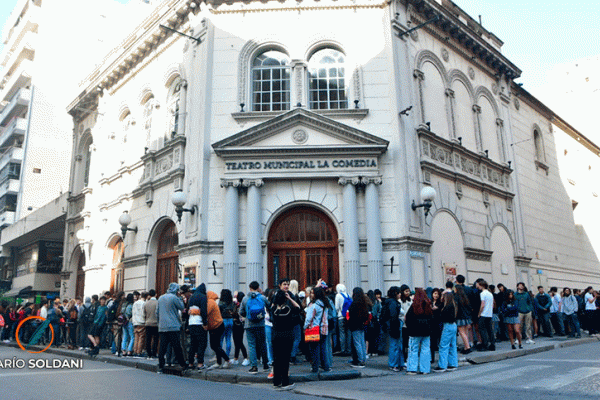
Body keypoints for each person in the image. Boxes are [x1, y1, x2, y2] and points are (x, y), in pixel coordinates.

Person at [270, 289, 300, 390]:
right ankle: (285, 382)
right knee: (285, 359)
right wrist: (290, 298)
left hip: (276, 336)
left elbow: (272, 305)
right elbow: (298, 307)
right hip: (286, 336)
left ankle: (276, 381)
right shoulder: (288, 309)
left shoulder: (274, 310)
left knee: (277, 359)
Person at [156, 282, 188, 372]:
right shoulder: (174, 298)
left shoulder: (161, 298)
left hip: (162, 326)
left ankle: (161, 365)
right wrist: (180, 298)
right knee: (177, 346)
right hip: (173, 326)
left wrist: (159, 323)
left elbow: (157, 312)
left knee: (162, 347)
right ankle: (183, 364)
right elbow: (182, 307)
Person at [240, 281, 269, 374]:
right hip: (260, 324)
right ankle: (265, 364)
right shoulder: (262, 297)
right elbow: (269, 306)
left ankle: (254, 367)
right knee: (262, 344)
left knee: (252, 345)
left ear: (250, 287)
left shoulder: (245, 298)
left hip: (249, 325)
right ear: (258, 287)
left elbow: (241, 311)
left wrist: (248, 315)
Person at [405, 288, 432, 375]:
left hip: (414, 331)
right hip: (426, 331)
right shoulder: (428, 305)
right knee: (425, 350)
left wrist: (409, 328)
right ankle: (425, 369)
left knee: (413, 350)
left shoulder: (414, 306)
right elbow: (432, 318)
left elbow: (408, 318)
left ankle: (412, 369)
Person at [304, 285, 331, 372]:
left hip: (314, 329)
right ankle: (326, 366)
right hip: (324, 329)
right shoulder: (325, 303)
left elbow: (309, 318)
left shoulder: (314, 305)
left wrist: (304, 327)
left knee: (314, 350)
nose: (311, 295)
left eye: (312, 293)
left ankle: (315, 368)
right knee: (323, 349)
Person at [380, 286, 403, 372]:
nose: (400, 294)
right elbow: (393, 315)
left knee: (396, 345)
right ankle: (394, 364)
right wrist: (395, 327)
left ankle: (397, 363)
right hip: (394, 325)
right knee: (395, 345)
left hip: (391, 325)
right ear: (396, 293)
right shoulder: (393, 303)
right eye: (399, 293)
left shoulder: (389, 302)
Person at [434, 292, 458, 372]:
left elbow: (442, 316)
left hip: (447, 326)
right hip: (454, 325)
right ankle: (453, 364)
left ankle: (442, 365)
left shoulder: (446, 307)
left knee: (443, 345)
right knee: (452, 345)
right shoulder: (454, 305)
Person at [206, 291, 230, 369]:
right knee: (216, 345)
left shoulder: (210, 302)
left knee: (214, 346)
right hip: (216, 326)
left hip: (216, 326)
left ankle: (226, 359)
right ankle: (219, 362)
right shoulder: (212, 302)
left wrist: (194, 311)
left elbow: (206, 312)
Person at [347, 287, 370, 368]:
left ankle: (360, 360)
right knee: (362, 343)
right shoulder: (364, 304)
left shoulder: (354, 304)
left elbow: (351, 315)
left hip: (354, 325)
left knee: (357, 343)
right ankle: (363, 358)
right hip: (361, 325)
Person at [187, 284, 208, 369]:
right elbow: (203, 311)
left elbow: (188, 310)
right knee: (201, 344)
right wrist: (205, 323)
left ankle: (190, 363)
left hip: (191, 323)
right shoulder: (203, 297)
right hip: (199, 323)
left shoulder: (192, 297)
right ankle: (200, 363)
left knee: (193, 344)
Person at [231, 291, 249, 366]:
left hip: (240, 325)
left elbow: (241, 314)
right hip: (236, 324)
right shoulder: (237, 304)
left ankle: (246, 358)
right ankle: (236, 358)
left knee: (239, 342)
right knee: (236, 342)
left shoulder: (241, 305)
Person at [477, 280, 495, 351]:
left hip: (483, 314)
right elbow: (493, 304)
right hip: (489, 314)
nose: (477, 286)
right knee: (490, 330)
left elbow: (482, 305)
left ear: (481, 285)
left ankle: (485, 345)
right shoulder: (490, 294)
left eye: (478, 284)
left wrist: (479, 313)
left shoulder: (482, 293)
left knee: (482, 330)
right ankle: (492, 344)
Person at [454, 284, 472, 354]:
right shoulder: (464, 297)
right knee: (465, 333)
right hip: (466, 317)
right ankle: (466, 346)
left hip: (460, 317)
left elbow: (456, 308)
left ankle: (467, 347)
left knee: (462, 333)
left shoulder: (456, 297)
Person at [335, 283, 351, 356]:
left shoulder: (338, 295)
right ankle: (349, 349)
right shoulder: (348, 295)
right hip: (348, 317)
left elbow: (336, 307)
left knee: (342, 333)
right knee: (348, 333)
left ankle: (343, 349)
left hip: (341, 316)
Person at [219, 289, 235, 359]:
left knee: (221, 339)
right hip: (231, 320)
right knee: (228, 338)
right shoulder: (232, 302)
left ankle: (220, 355)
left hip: (223, 320)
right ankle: (227, 355)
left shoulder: (221, 303)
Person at [144, 290, 159, 359]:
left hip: (147, 323)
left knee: (148, 339)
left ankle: (148, 353)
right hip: (155, 323)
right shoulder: (157, 303)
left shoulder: (146, 303)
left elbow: (144, 313)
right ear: (155, 294)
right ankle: (154, 353)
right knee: (155, 339)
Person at [399, 284, 412, 363]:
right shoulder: (400, 301)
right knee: (404, 343)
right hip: (403, 324)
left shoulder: (410, 300)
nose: (407, 293)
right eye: (406, 291)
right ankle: (404, 358)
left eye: (408, 291)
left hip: (410, 324)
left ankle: (408, 358)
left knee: (409, 343)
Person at [132, 291, 146, 358]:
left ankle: (135, 351)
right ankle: (139, 352)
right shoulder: (144, 303)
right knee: (141, 338)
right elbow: (143, 313)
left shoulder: (135, 303)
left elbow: (133, 312)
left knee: (136, 337)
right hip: (141, 322)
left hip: (135, 322)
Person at [430, 288, 443, 362]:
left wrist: (437, 309)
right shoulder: (429, 302)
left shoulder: (440, 303)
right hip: (431, 324)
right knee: (432, 342)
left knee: (440, 342)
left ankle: (441, 359)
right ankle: (432, 358)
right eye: (435, 293)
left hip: (438, 324)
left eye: (437, 294)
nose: (436, 295)